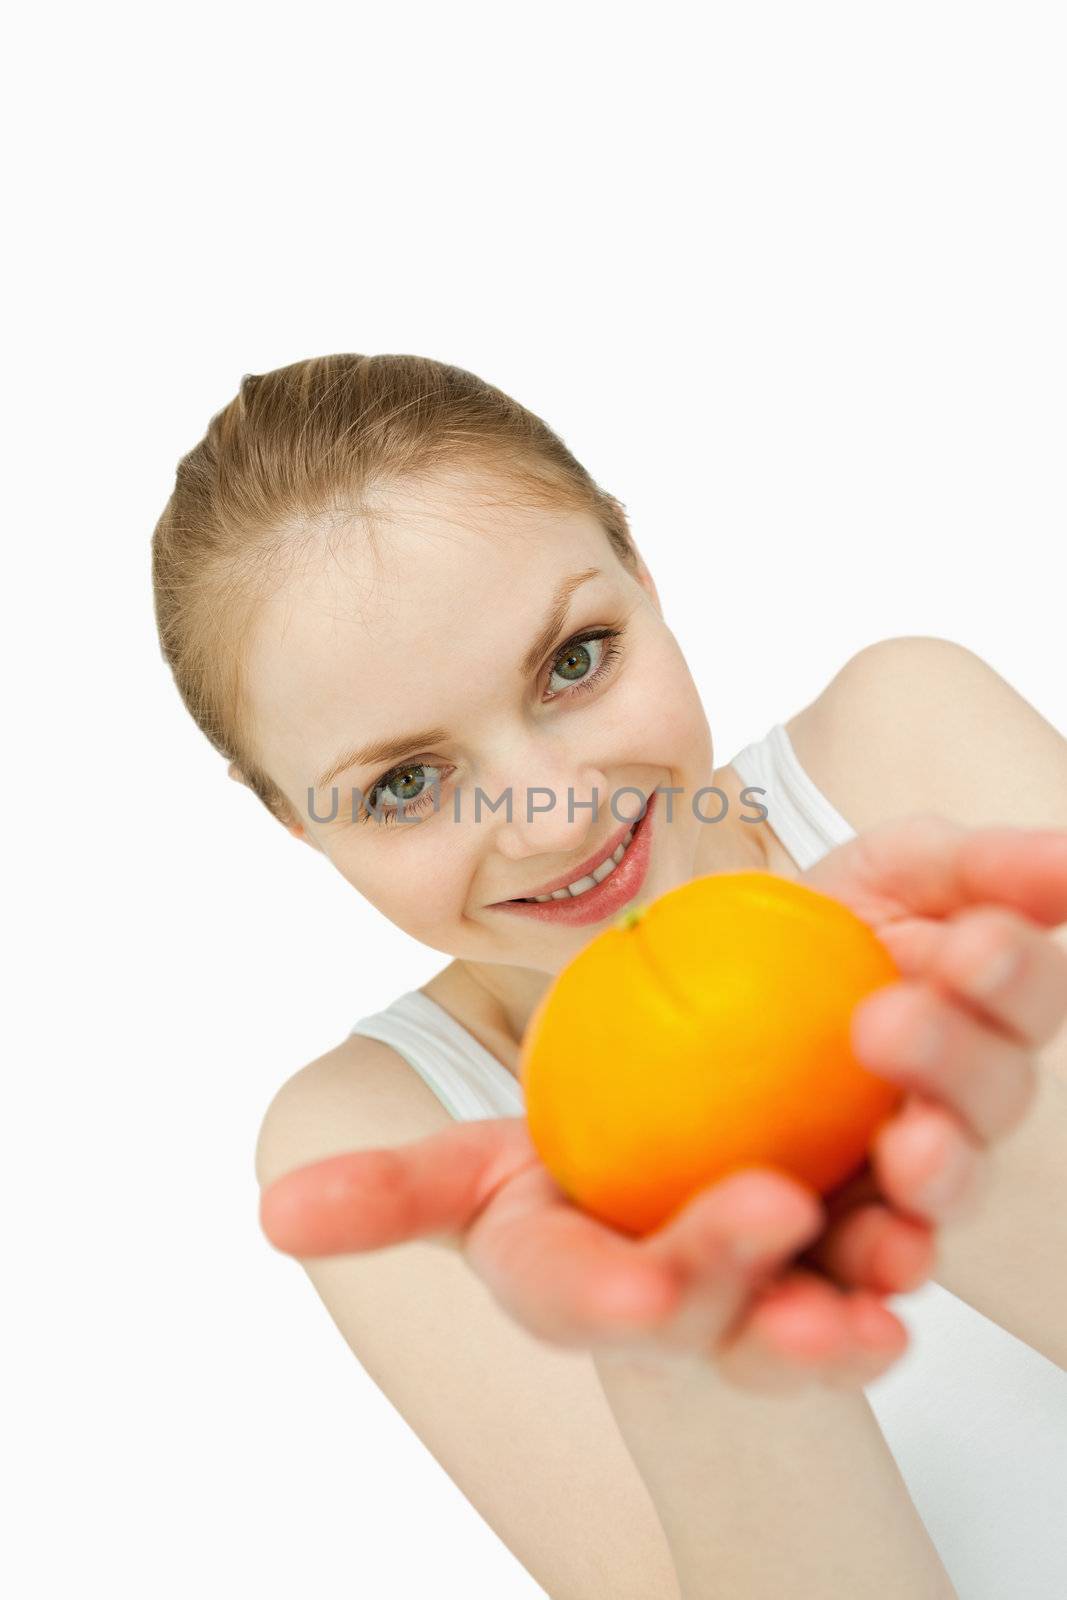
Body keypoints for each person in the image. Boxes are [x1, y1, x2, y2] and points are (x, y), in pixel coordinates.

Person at [151, 353, 1067, 1599]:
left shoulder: (901, 738)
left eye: (574, 660)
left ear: (641, 569)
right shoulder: (385, 1133)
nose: (554, 817)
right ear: (291, 820)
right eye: (404, 784)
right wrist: (693, 1369)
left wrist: (922, 1124)